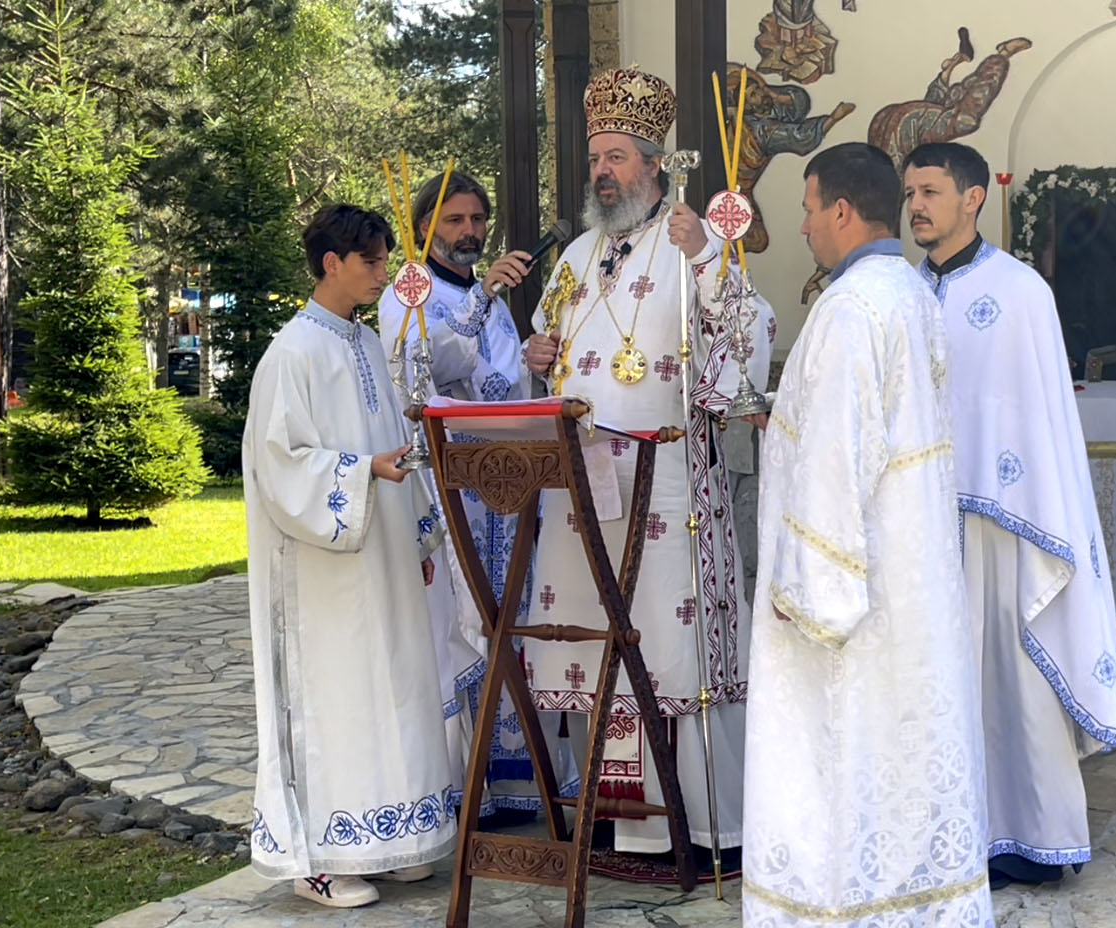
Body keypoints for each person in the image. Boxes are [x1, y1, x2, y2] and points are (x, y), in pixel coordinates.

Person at [518, 64, 775, 859]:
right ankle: (615, 819)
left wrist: (704, 261)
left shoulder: (691, 240)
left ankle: (698, 826)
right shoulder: (575, 255)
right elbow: (547, 347)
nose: (602, 171)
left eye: (618, 157)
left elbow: (745, 344)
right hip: (577, 491)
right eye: (595, 157)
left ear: (654, 163)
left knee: (662, 641)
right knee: (591, 639)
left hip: (662, 489)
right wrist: (537, 351)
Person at [741, 141, 994, 927]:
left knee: (841, 756)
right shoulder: (908, 291)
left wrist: (805, 590)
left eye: (809, 211)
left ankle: (841, 908)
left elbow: (835, 458)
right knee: (898, 755)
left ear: (841, 210)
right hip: (908, 572)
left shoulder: (851, 307)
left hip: (849, 591)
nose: (806, 229)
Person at [906, 142, 1116, 890]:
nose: (916, 205)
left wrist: (1016, 503)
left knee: (1011, 676)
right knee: (932, 679)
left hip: (1005, 522)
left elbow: (1034, 415)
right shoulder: (901, 292)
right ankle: (946, 829)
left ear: (972, 198)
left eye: (931, 191)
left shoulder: (1018, 291)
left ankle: (1029, 837)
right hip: (920, 520)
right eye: (909, 192)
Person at [242, 204, 456, 908]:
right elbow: (281, 465)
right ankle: (320, 858)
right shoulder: (291, 354)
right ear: (330, 264)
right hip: (324, 573)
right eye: (368, 260)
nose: (381, 273)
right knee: (336, 698)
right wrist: (362, 473)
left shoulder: (364, 345)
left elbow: (393, 436)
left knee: (390, 689)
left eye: (383, 258)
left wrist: (419, 531)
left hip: (383, 554)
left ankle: (386, 839)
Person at [377, 169, 564, 819]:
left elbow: (505, 387)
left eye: (477, 221)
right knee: (463, 630)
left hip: (502, 486)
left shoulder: (489, 302)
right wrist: (484, 299)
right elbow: (431, 371)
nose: (468, 232)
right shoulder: (409, 292)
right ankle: (464, 785)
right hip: (448, 484)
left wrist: (535, 364)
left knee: (507, 621)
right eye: (454, 221)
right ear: (426, 225)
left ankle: (516, 781)